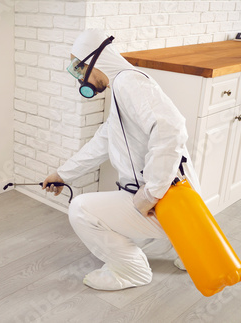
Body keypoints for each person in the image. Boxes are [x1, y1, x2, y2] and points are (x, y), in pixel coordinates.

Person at [42, 29, 202, 291]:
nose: (80, 77)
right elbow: (103, 141)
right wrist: (62, 175)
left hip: (163, 201)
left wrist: (150, 194)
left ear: (95, 60)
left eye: (79, 68)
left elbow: (171, 128)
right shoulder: (122, 87)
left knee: (81, 209)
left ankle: (132, 271)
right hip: (180, 197)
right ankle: (190, 249)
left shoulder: (129, 83)